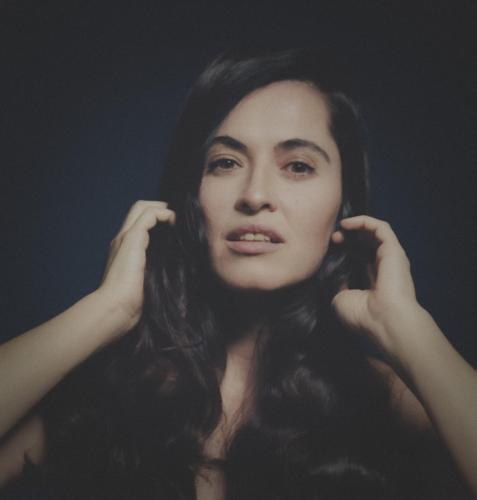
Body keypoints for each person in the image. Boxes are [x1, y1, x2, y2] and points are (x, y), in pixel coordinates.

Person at [0, 47, 475, 500]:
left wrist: (406, 327)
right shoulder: (112, 390)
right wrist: (107, 310)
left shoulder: (386, 400)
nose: (254, 195)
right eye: (225, 163)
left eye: (298, 166)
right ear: (191, 198)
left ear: (343, 207)